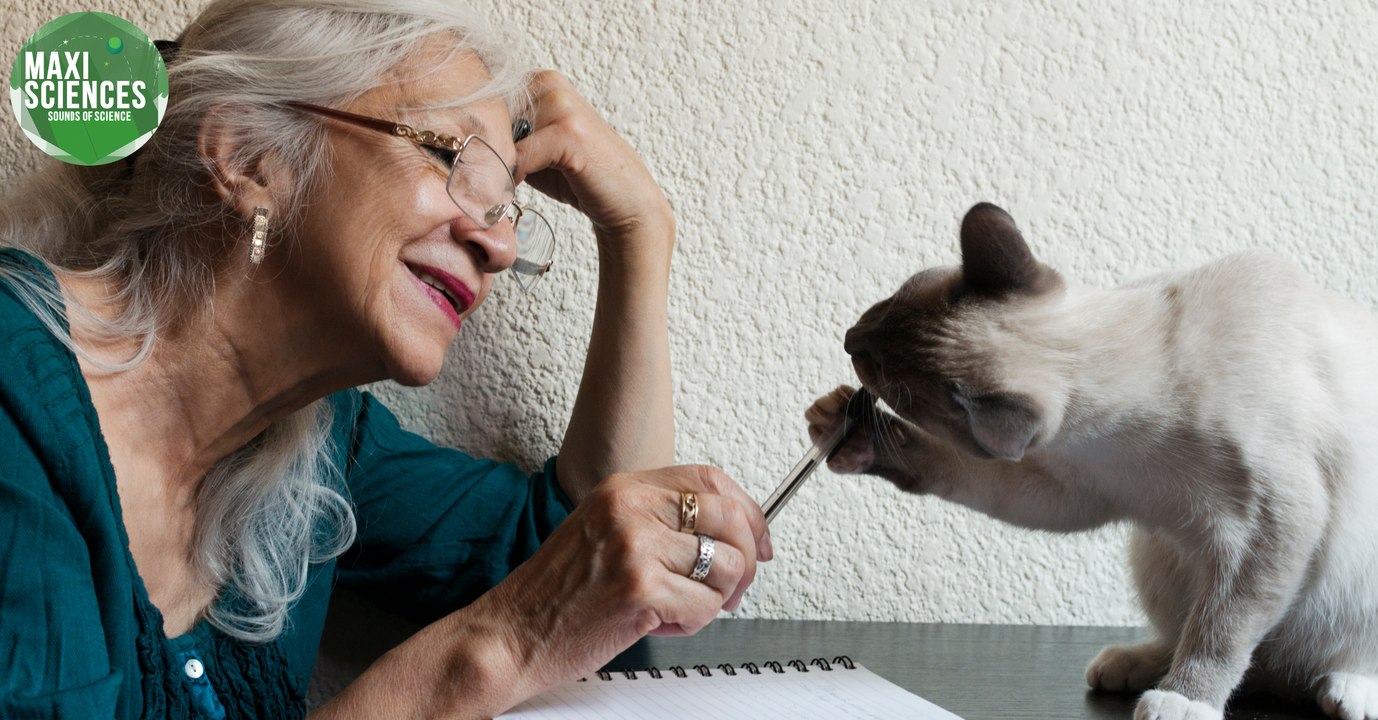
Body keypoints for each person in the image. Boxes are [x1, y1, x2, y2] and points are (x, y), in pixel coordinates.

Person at [0, 0, 771, 717]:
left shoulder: (317, 447)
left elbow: (588, 574)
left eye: (505, 208)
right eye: (451, 157)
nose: (501, 247)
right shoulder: (12, 397)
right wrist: (492, 650)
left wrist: (638, 229)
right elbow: (541, 613)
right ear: (248, 156)